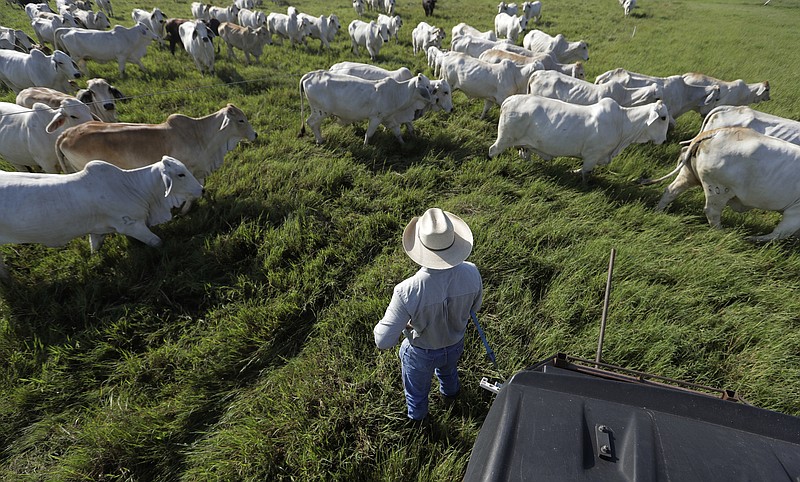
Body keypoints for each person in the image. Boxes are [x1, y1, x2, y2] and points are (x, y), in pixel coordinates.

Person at [374, 208, 483, 422]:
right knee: (449, 371)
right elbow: (475, 307)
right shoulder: (472, 272)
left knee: (416, 392)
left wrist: (399, 324)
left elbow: (383, 341)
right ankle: (451, 395)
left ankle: (419, 421)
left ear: (420, 246)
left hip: (421, 351)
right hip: (455, 343)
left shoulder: (406, 291)